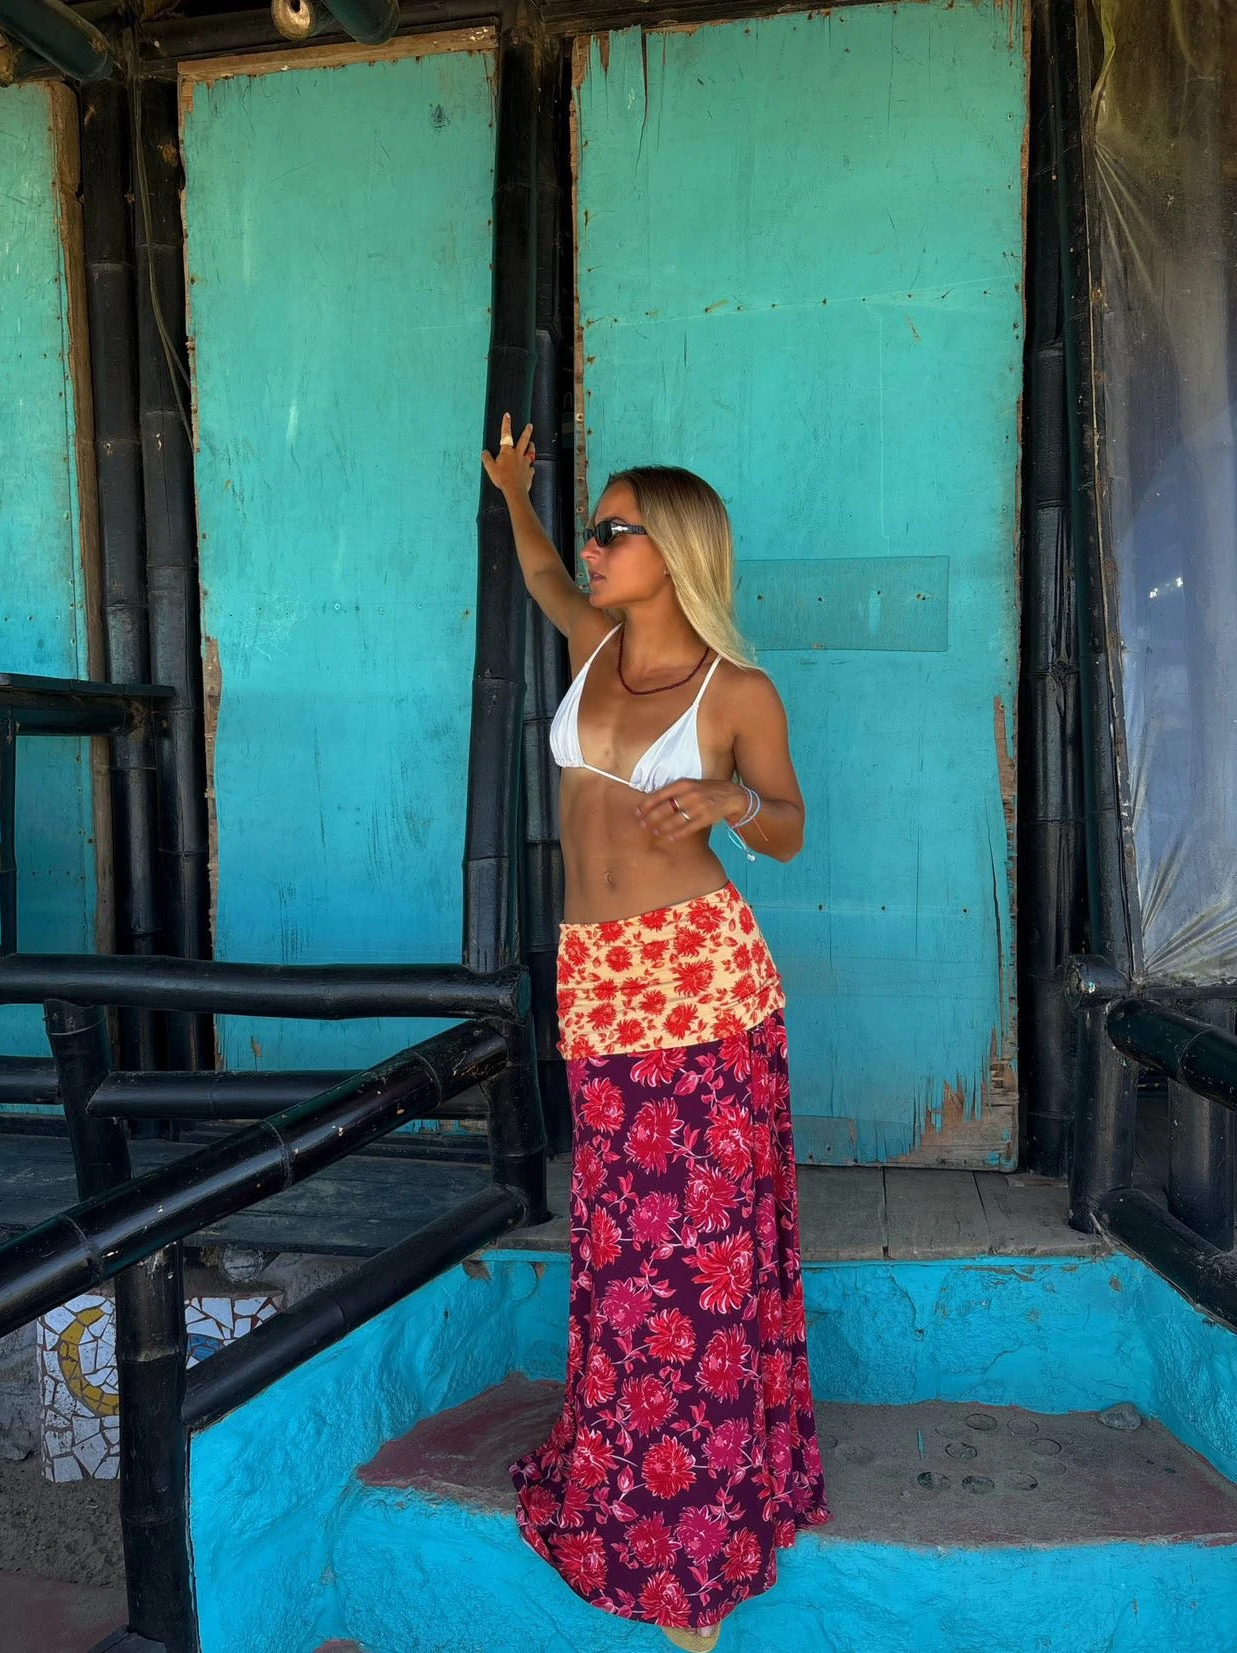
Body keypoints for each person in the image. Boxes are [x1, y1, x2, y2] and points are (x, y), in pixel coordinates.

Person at [482, 413, 831, 1651]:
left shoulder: (738, 691)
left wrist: (732, 797)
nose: (591, 546)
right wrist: (515, 495)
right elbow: (538, 572)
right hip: (598, 979)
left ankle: (700, 1544)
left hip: (703, 988)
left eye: (612, 529)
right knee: (625, 1255)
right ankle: (635, 1489)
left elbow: (789, 826)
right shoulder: (594, 647)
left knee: (694, 1266)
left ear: (673, 548)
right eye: (593, 528)